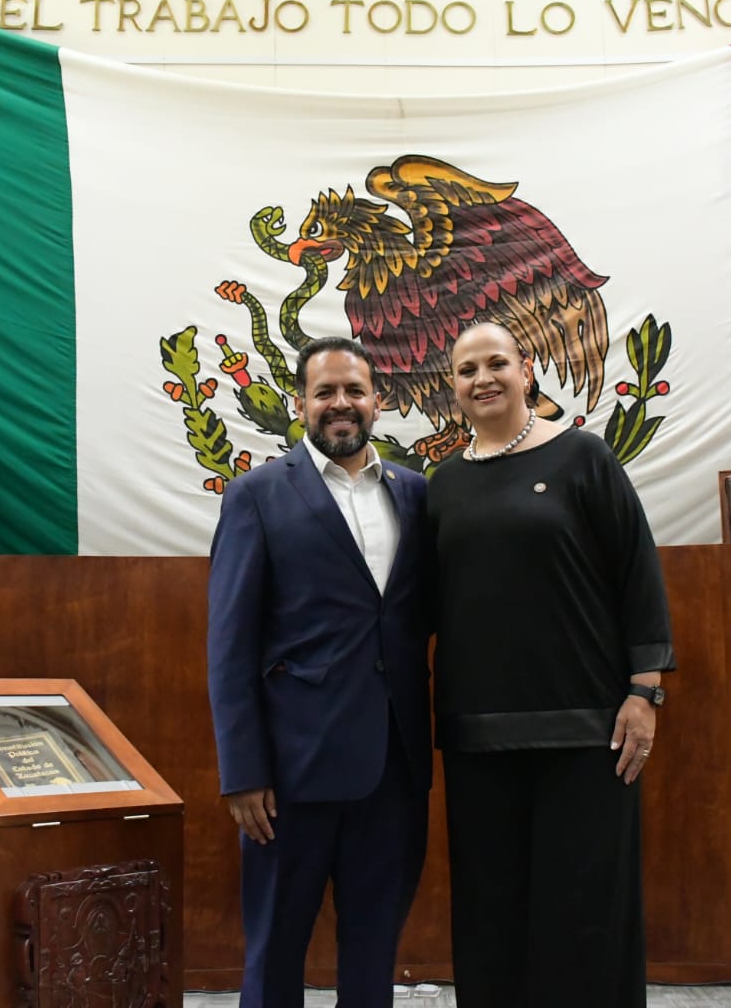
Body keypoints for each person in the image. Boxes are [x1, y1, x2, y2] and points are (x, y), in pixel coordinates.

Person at [427, 320, 676, 1008]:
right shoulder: (441, 485)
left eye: (496, 363)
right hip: (478, 738)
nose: (483, 379)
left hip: (587, 731)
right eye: (467, 370)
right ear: (452, 387)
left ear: (527, 370)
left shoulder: (584, 458)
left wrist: (644, 694)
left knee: (586, 918)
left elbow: (638, 577)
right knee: (491, 920)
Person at [206, 337, 433, 1008]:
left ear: (377, 402)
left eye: (354, 391)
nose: (341, 403)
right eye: (325, 391)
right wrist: (242, 771)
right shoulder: (256, 496)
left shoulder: (416, 494)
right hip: (289, 778)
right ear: (300, 403)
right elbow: (230, 644)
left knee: (373, 960)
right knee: (274, 957)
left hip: (394, 773)